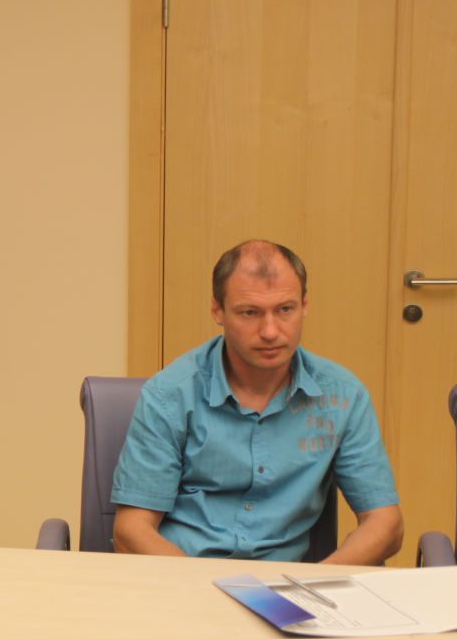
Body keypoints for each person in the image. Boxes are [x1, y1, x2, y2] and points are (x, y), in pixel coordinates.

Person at [111, 240, 402, 564]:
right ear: (217, 310)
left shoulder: (343, 396)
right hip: (182, 572)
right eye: (250, 313)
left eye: (285, 310)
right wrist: (193, 586)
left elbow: (385, 523)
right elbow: (131, 530)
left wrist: (318, 583)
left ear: (304, 305)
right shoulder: (170, 394)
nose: (270, 331)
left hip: (286, 582)